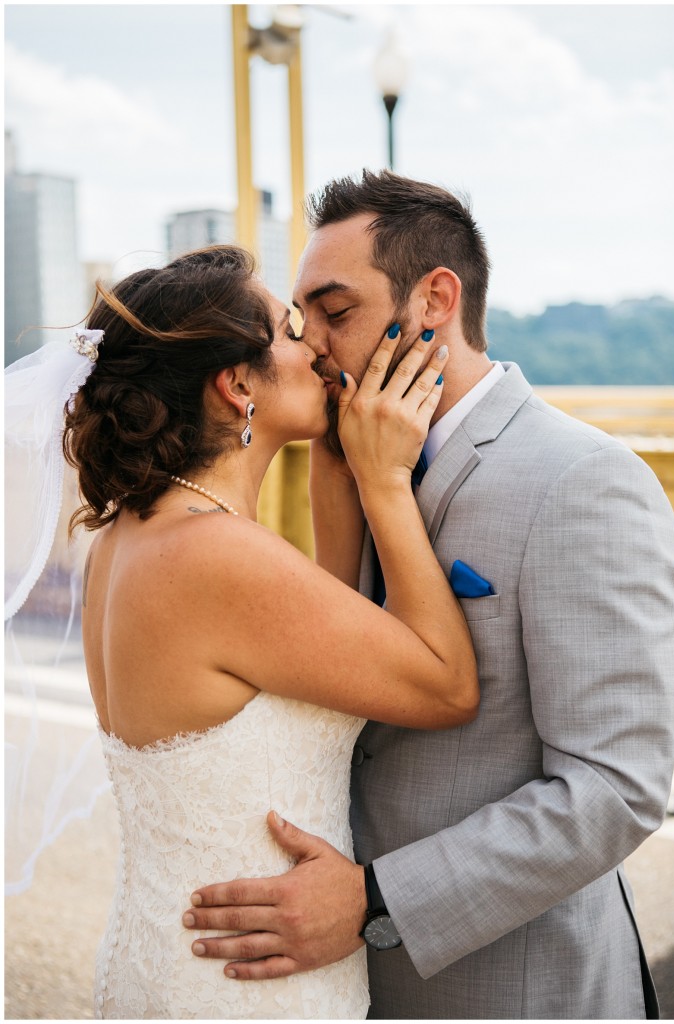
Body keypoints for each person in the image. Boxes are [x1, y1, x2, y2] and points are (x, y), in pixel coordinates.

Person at [183, 172, 674, 1020]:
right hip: (339, 990)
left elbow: (617, 785)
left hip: (518, 989)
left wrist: (377, 900)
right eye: (306, 325)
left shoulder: (584, 481)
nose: (316, 350)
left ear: (436, 300)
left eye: (337, 315)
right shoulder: (347, 462)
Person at [8, 244, 478, 1020]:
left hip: (169, 956)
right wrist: (387, 485)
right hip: (243, 985)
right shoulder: (215, 557)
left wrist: (338, 467)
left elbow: (308, 650)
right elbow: (447, 683)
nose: (319, 349)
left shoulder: (134, 538)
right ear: (235, 387)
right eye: (294, 334)